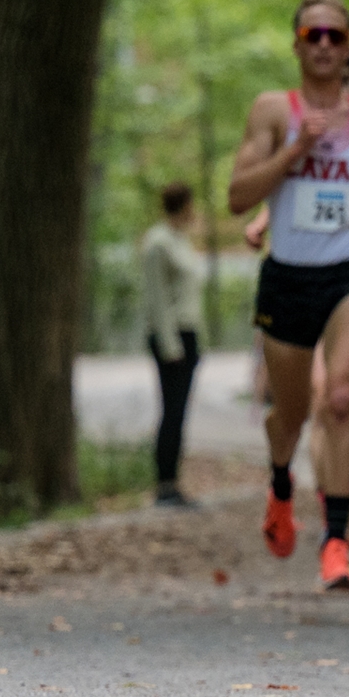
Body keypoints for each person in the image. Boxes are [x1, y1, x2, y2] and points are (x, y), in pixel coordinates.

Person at [227, 0, 349, 590]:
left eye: (335, 35)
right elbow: (237, 196)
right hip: (287, 276)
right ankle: (281, 486)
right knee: (292, 415)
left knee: (341, 400)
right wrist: (296, 149)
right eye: (314, 34)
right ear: (298, 43)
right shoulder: (273, 111)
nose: (325, 44)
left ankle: (335, 542)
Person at [141, 181, 206, 509]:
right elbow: (156, 298)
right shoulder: (158, 243)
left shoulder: (182, 241)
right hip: (171, 336)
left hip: (188, 333)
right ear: (184, 204)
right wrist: (169, 346)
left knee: (180, 411)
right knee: (171, 409)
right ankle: (164, 483)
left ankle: (173, 481)